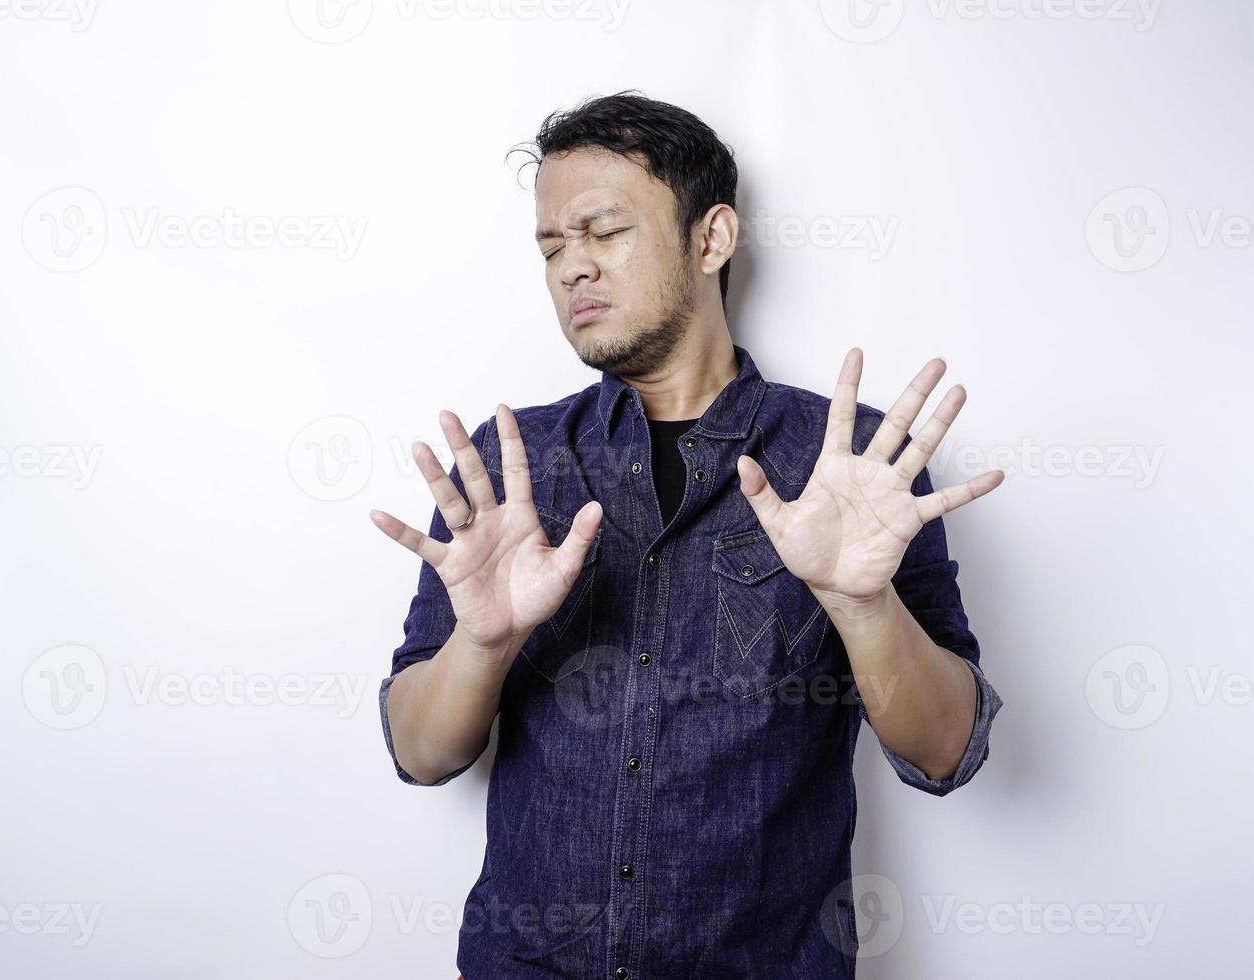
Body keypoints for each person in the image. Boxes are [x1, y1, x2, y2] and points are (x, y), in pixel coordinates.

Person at [370, 90, 1005, 979]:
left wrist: (862, 607)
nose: (570, 269)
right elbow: (421, 752)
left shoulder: (852, 468)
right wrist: (484, 641)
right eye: (551, 247)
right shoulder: (511, 468)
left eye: (603, 231)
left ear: (711, 239)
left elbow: (946, 750)